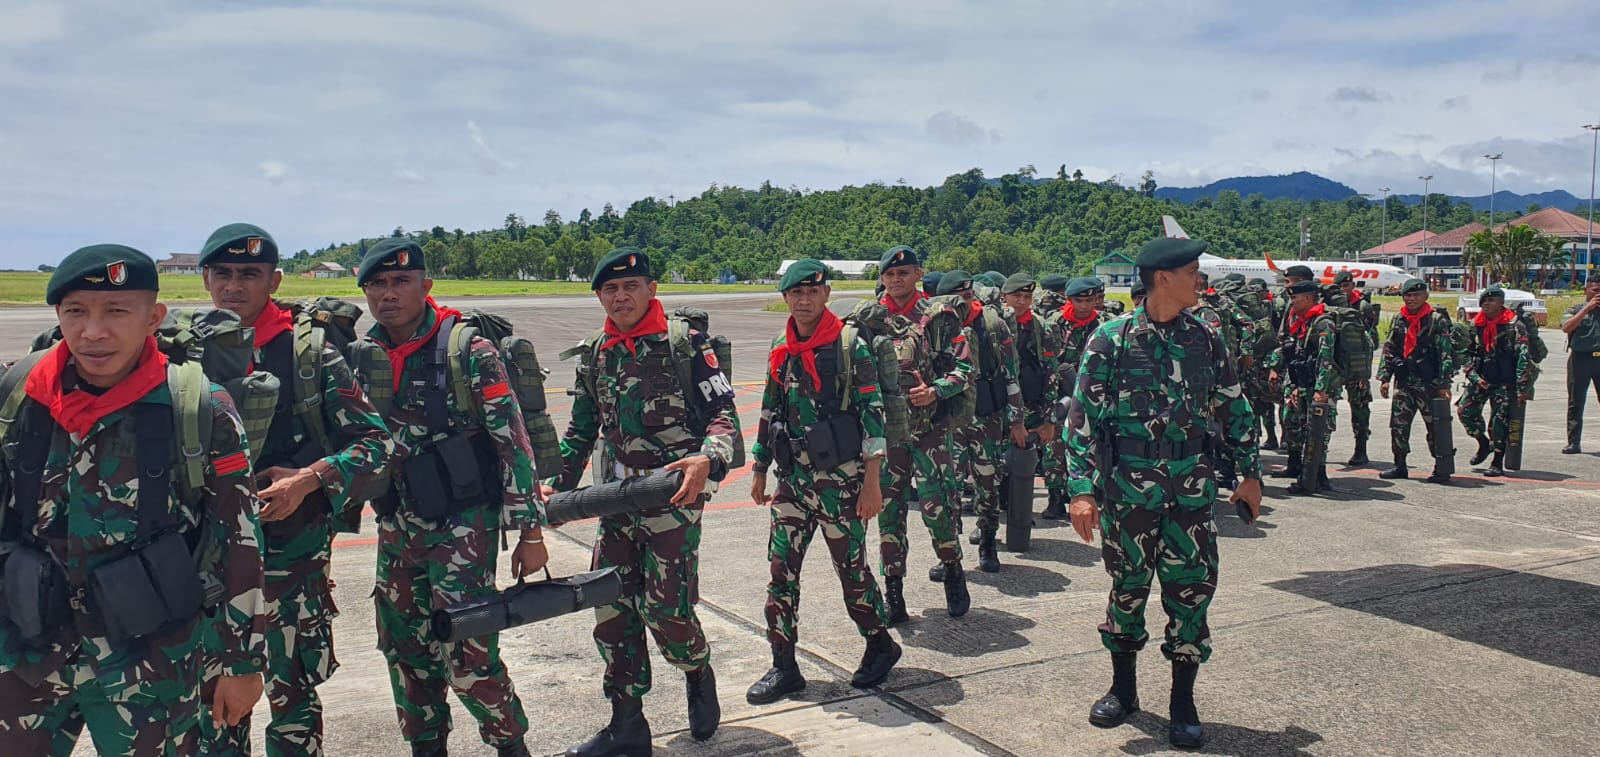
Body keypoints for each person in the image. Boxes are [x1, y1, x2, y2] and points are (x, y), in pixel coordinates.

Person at [0, 246, 267, 755]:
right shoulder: (20, 395)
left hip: (150, 661)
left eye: (116, 311)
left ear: (153, 318)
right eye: (76, 311)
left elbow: (238, 538)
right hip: (25, 649)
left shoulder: (199, 408)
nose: (93, 331)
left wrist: (242, 662)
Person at [192, 224, 394, 756]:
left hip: (292, 561)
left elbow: (376, 442)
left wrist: (309, 479)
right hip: (211, 567)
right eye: (223, 273)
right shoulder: (184, 357)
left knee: (293, 700)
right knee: (213, 707)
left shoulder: (310, 354)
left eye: (249, 274)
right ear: (205, 279)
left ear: (274, 281)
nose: (234, 286)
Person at [1064, 237, 1262, 750]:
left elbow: (1235, 407)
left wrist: (1249, 473)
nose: (1201, 280)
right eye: (1192, 272)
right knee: (1127, 588)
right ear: (1163, 278)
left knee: (1191, 591)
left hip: (1191, 489)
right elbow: (1081, 420)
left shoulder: (1206, 338)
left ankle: (1182, 701)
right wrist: (1082, 490)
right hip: (1129, 490)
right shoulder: (1111, 339)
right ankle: (1123, 690)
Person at [355, 239, 546, 757]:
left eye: (400, 282)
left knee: (468, 653)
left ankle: (510, 745)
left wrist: (530, 532)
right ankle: (426, 745)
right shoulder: (364, 356)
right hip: (396, 525)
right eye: (377, 284)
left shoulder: (467, 350)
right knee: (404, 651)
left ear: (425, 286)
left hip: (462, 527)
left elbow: (512, 442)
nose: (388, 294)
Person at [548, 247, 737, 756]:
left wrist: (709, 458)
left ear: (651, 290)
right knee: (610, 607)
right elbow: (581, 429)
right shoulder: (597, 352)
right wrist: (556, 486)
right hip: (614, 499)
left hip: (672, 496)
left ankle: (696, 668)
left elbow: (723, 415)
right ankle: (626, 723)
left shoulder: (684, 344)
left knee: (666, 610)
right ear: (599, 297)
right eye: (609, 289)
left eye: (630, 286)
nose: (620, 296)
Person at [746, 260, 901, 705]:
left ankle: (879, 643)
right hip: (793, 480)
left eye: (812, 292)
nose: (804, 300)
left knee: (851, 571)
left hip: (842, 482)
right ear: (785, 298)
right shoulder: (782, 346)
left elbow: (873, 415)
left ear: (826, 294)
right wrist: (760, 467)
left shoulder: (849, 346)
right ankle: (784, 665)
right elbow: (770, 409)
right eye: (796, 293)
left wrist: (872, 482)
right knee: (781, 571)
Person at [876, 245, 974, 620]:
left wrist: (935, 391)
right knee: (889, 512)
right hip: (888, 435)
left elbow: (964, 369)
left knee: (937, 508)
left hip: (929, 431)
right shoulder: (871, 319)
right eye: (890, 274)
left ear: (918, 274)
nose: (896, 279)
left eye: (904, 273)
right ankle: (893, 591)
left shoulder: (938, 317)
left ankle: (952, 570)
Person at [939, 272, 1025, 573]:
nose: (963, 304)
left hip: (986, 416)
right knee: (947, 486)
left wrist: (1017, 421)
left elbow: (1011, 375)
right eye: (956, 298)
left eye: (967, 297)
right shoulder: (934, 326)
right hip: (948, 419)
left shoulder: (993, 324)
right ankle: (949, 553)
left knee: (988, 482)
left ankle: (988, 541)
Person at [999, 273, 1063, 530]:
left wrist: (1049, 419)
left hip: (1032, 405)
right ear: (1004, 297)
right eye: (1017, 296)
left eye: (1027, 297)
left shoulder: (1042, 327)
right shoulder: (994, 325)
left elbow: (1051, 372)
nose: (1022, 302)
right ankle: (990, 518)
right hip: (998, 406)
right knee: (993, 466)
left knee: (1025, 462)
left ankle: (1020, 514)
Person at [1377, 278, 1455, 482]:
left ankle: (1442, 467)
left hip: (1429, 384)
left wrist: (1443, 384)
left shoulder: (1436, 320)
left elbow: (1445, 354)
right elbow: (1389, 348)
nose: (1411, 299)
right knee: (1398, 425)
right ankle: (1399, 465)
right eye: (1408, 295)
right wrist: (1385, 377)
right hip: (1404, 382)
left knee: (1435, 427)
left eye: (1416, 295)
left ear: (1425, 296)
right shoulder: (1399, 319)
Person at [1042, 277, 1107, 519]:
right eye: (1079, 301)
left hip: (1094, 395)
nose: (1084, 306)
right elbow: (1046, 360)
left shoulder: (1103, 325)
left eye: (1089, 300)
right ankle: (1055, 497)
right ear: (1069, 300)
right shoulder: (1054, 324)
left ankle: (1090, 494)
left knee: (1095, 445)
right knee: (1055, 447)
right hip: (1061, 394)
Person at [1267, 281, 1340, 494]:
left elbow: (1326, 357)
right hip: (1305, 384)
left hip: (1321, 388)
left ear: (1308, 298)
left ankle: (1318, 477)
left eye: (1294, 298)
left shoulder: (1323, 323)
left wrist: (1321, 389)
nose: (1292, 302)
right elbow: (1299, 355)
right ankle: (1302, 470)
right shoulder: (1303, 321)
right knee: (1298, 425)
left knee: (1318, 431)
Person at [1456, 287, 1534, 477]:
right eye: (1483, 301)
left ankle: (1497, 461)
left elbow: (1523, 357)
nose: (1486, 304)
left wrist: (1522, 387)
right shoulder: (1476, 325)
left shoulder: (1514, 326)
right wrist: (1473, 376)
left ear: (1501, 303)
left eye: (1491, 301)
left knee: (1499, 421)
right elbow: (1465, 353)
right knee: (1465, 412)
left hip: (1505, 382)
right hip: (1482, 379)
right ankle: (1483, 443)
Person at [1332, 271, 1379, 465]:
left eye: (1346, 286)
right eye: (1339, 287)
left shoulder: (1362, 306)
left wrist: (1364, 370)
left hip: (1357, 365)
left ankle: (1361, 448)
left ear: (1352, 286)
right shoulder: (1330, 306)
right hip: (1335, 363)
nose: (1343, 290)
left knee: (1360, 407)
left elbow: (1371, 340)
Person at [1560, 276, 1600, 453]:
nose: (1598, 294)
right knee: (1576, 401)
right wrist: (1587, 309)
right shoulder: (1575, 309)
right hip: (1580, 359)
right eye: (1595, 290)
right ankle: (1573, 442)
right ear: (1586, 290)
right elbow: (1566, 327)